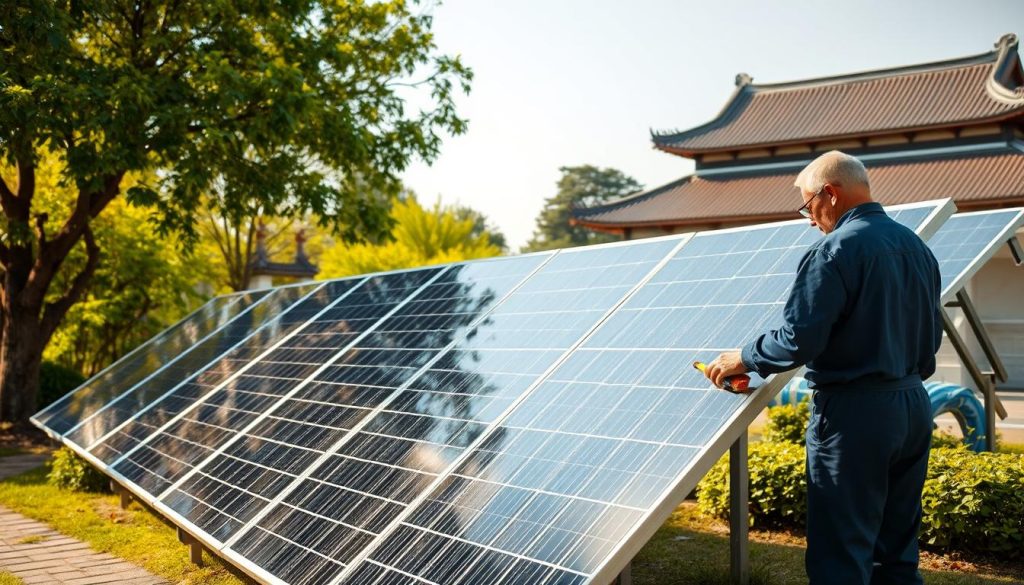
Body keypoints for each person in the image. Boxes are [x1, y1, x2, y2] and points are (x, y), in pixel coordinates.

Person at [702, 150, 942, 585]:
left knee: (841, 554)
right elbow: (931, 339)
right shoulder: (916, 247)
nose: (808, 218)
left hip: (854, 416)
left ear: (829, 195)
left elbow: (799, 338)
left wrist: (744, 356)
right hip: (912, 407)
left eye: (807, 204)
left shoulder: (834, 251)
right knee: (897, 552)